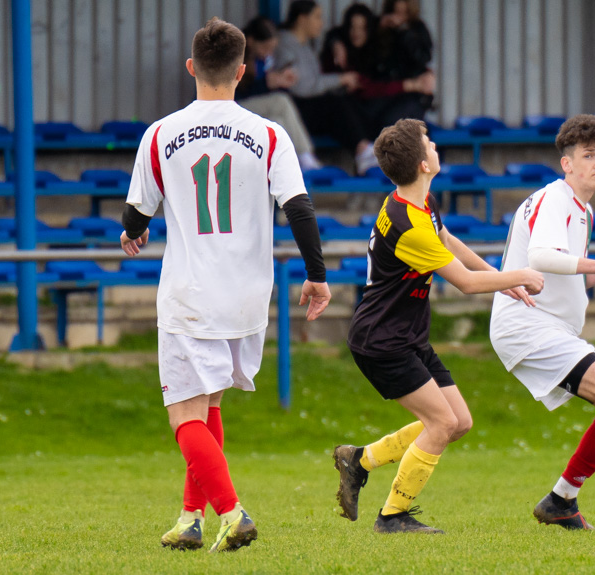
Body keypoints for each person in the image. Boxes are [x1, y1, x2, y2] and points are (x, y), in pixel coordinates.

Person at [119, 17, 331, 552]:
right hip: (247, 297)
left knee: (183, 415)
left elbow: (137, 211)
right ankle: (191, 519)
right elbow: (300, 208)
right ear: (242, 71)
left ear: (192, 68)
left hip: (191, 296)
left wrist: (133, 233)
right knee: (208, 406)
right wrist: (316, 275)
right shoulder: (269, 133)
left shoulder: (161, 134)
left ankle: (233, 513)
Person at [332, 119, 545, 534]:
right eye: (430, 144)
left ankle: (358, 460)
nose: (436, 148)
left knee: (458, 423)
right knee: (442, 425)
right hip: (382, 341)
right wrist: (518, 276)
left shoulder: (418, 203)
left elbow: (447, 241)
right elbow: (464, 284)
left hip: (404, 336)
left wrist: (503, 278)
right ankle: (392, 517)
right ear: (423, 164)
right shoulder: (408, 221)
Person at [489, 114, 595, 532]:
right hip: (527, 324)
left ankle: (561, 500)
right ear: (566, 163)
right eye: (588, 155)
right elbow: (542, 259)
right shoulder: (556, 199)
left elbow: (560, 274)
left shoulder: (579, 208)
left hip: (544, 325)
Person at [273, 0, 378, 174]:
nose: (321, 23)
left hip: (310, 107)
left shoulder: (305, 45)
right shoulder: (285, 45)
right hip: (295, 110)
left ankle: (368, 148)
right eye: (317, 17)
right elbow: (302, 87)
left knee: (348, 101)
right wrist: (340, 79)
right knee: (334, 103)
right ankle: (362, 152)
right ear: (301, 19)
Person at [320, 3, 435, 140]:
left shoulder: (416, 30)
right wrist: (336, 43)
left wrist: (404, 31)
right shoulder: (377, 28)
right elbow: (337, 33)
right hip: (380, 100)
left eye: (404, 14)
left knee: (395, 124)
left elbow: (422, 58)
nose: (398, 18)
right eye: (395, 12)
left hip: (406, 98)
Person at [237, 16, 322, 172]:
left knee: (277, 122)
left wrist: (281, 81)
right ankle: (305, 154)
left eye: (272, 49)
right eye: (265, 48)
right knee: (281, 101)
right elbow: (235, 93)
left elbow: (265, 92)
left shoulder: (264, 60)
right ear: (251, 41)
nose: (268, 53)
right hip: (233, 109)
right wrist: (266, 83)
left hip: (256, 113)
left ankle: (286, 168)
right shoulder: (235, 57)